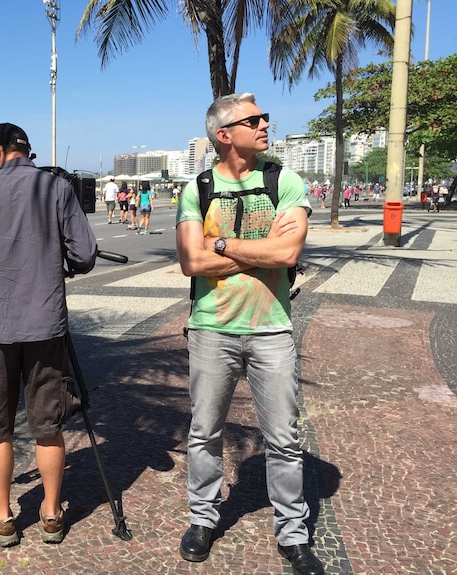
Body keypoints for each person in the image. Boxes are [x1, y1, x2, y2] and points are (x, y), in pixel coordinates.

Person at [175, 93, 323, 575]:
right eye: (253, 120)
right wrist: (261, 247)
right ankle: (203, 518)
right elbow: (190, 262)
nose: (264, 125)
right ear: (224, 135)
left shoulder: (285, 179)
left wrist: (219, 242)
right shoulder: (197, 187)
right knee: (205, 432)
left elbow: (288, 254)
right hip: (211, 329)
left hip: (271, 331)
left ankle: (293, 534)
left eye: (264, 118)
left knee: (283, 438)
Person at [0, 123, 97, 548]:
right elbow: (84, 255)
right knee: (48, 422)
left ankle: (2, 516)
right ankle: (51, 515)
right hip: (46, 323)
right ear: (25, 151)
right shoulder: (56, 188)